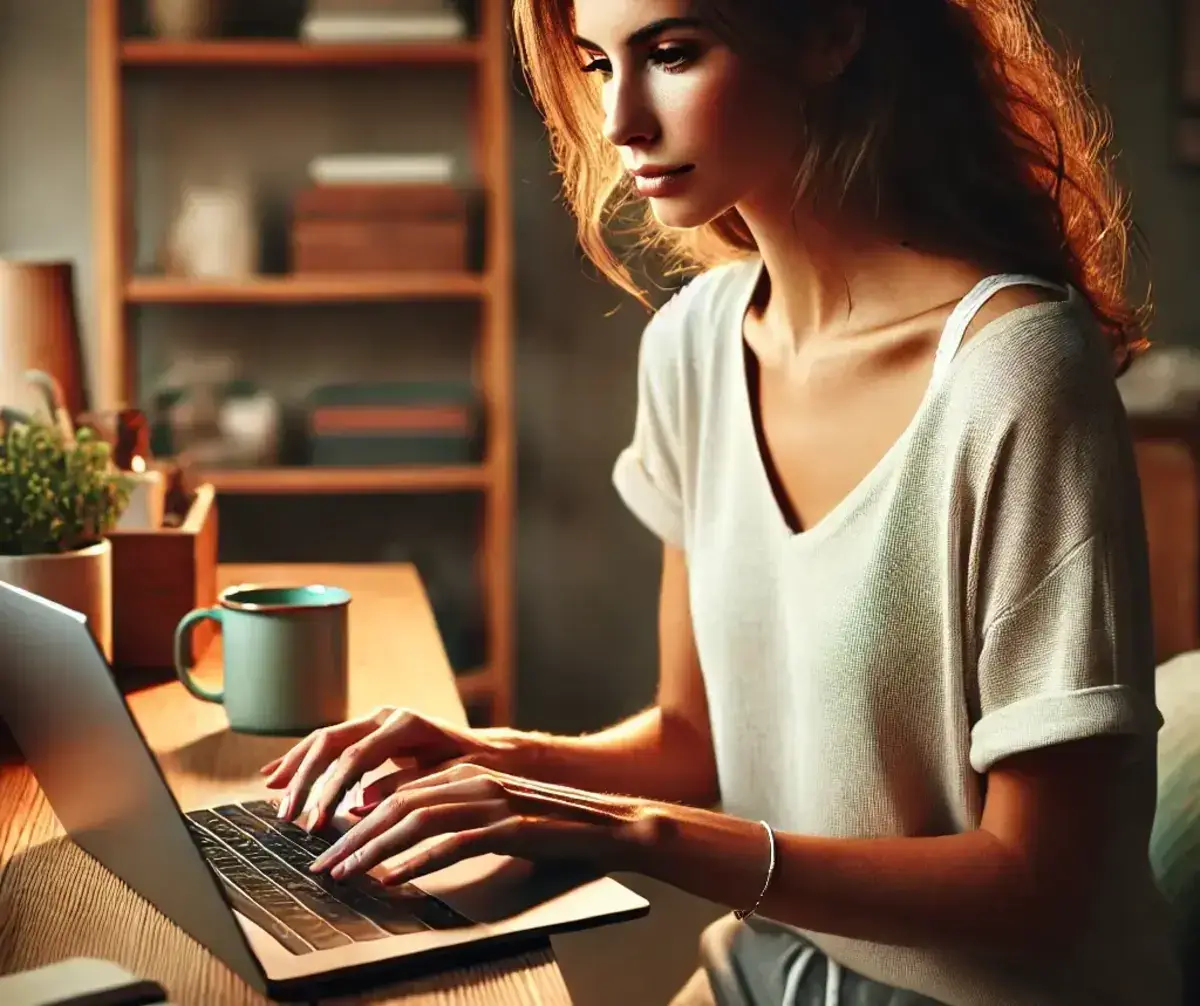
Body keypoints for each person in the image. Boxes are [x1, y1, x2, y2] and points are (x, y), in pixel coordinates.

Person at [260, 1, 1183, 1002]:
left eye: (671, 53)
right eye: (598, 65)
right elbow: (691, 741)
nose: (619, 122)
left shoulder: (1015, 376)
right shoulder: (693, 348)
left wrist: (625, 831)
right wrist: (489, 756)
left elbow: (1037, 889)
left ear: (832, 33)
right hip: (769, 967)